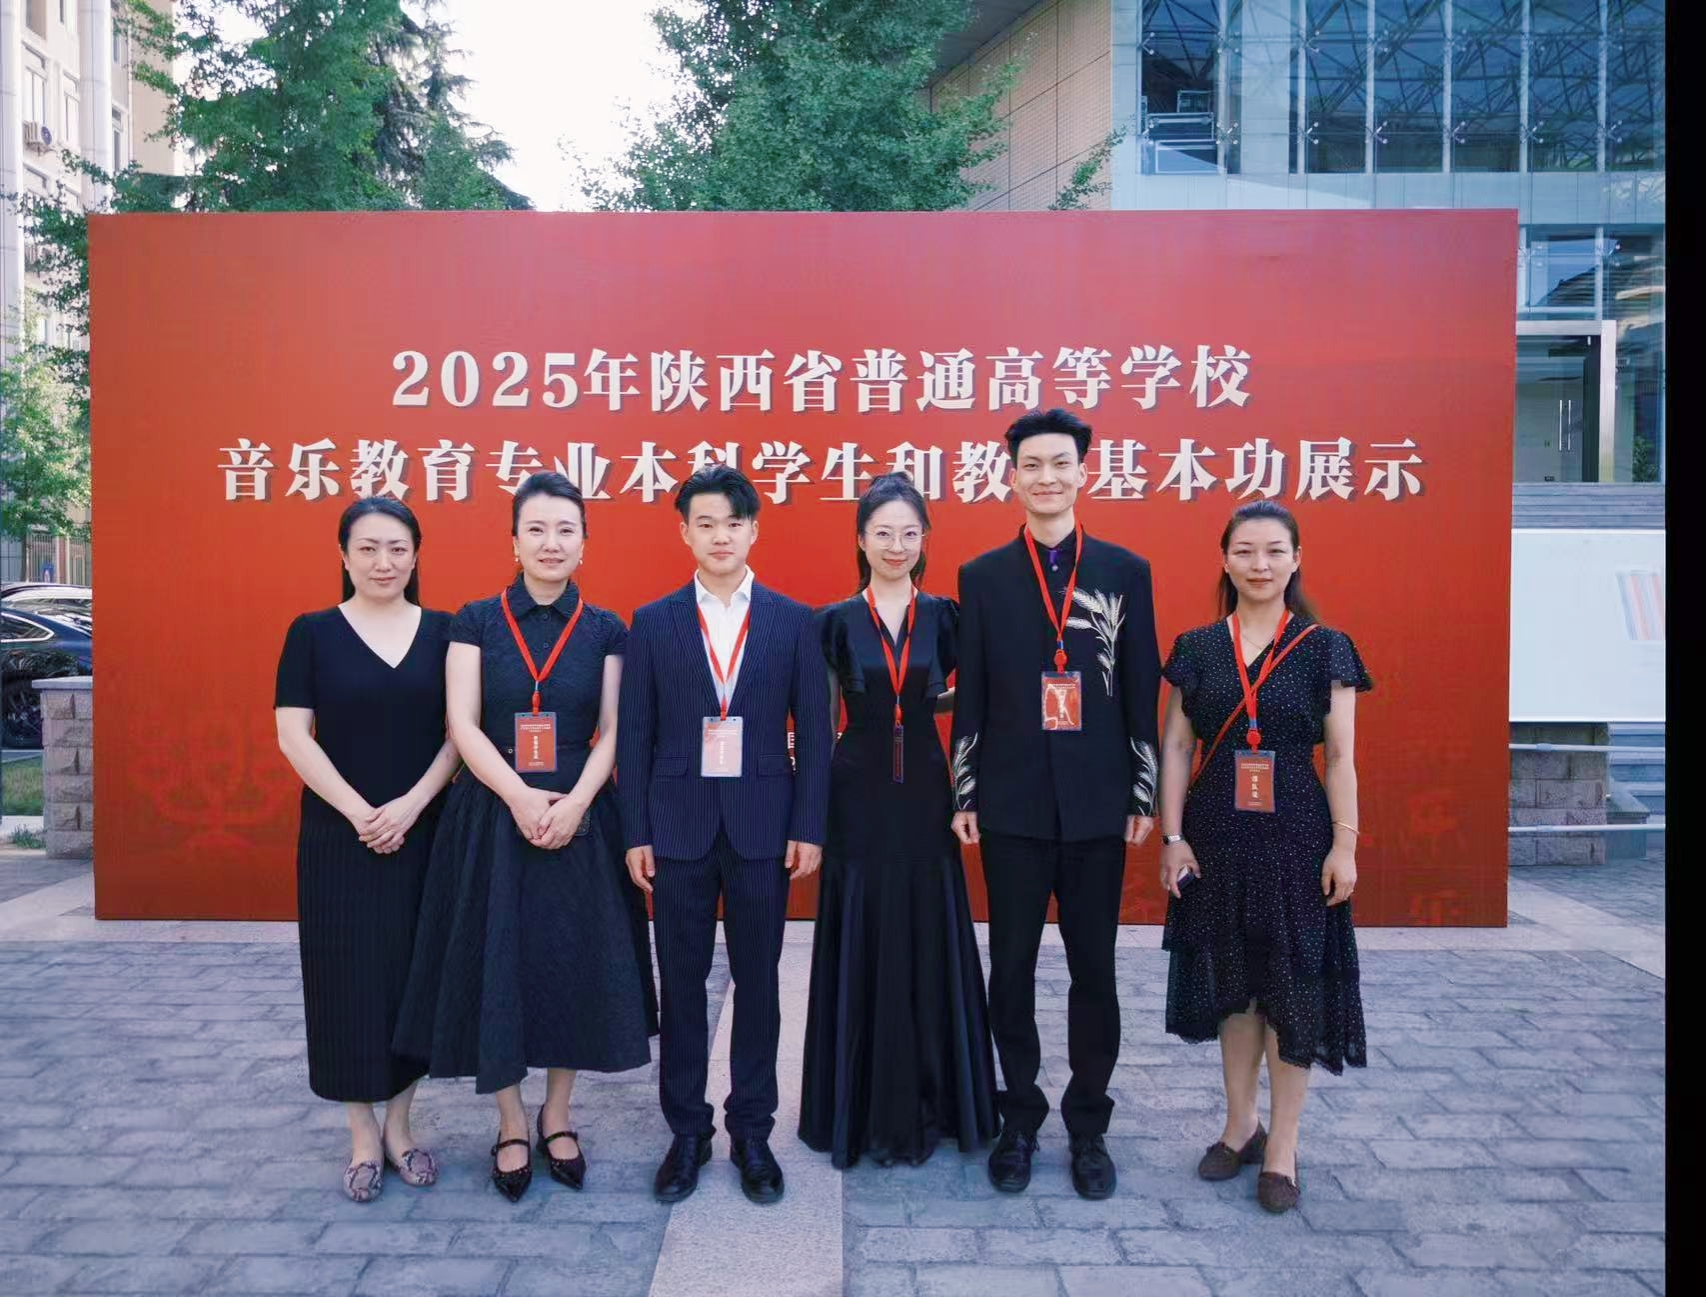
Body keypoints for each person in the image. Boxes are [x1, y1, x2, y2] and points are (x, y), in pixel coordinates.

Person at [393, 472, 657, 1203]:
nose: (551, 543)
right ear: (513, 542)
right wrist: (517, 796)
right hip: (492, 815)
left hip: (579, 816)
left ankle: (557, 1114)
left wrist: (576, 804)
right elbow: (462, 723)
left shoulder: (606, 629)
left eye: (566, 530)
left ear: (584, 543)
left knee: (571, 963)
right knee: (498, 961)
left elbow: (613, 729)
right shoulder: (475, 621)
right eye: (536, 529)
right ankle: (510, 1120)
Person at [950, 408, 1161, 1201]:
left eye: (1059, 463)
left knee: (1093, 969)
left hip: (1098, 804)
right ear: (1012, 477)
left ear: (1083, 472)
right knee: (1011, 966)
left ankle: (1088, 1122)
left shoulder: (1124, 570)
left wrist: (1141, 789)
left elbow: (1139, 683)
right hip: (1010, 804)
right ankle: (1020, 1116)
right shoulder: (982, 576)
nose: (1046, 476)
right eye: (1031, 465)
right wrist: (966, 789)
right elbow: (972, 691)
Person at [618, 464, 832, 1207]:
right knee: (681, 985)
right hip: (675, 828)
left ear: (753, 530)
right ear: (684, 532)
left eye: (733, 523)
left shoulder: (792, 620)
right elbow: (634, 734)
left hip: (762, 828)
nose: (719, 536)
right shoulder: (653, 622)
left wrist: (809, 824)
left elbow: (817, 730)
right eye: (704, 523)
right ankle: (686, 1131)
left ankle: (751, 1130)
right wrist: (635, 830)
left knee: (759, 983)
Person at [1156, 499, 1370, 1215]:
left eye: (1275, 550)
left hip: (1297, 840)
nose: (1260, 564)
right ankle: (1239, 1125)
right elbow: (1176, 747)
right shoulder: (1197, 647)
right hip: (1216, 838)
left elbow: (1339, 756)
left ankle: (1283, 1146)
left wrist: (1345, 842)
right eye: (1245, 551)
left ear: (1296, 558)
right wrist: (1173, 837)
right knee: (1235, 988)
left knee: (1292, 989)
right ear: (1224, 559)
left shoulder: (1323, 646)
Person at [799, 472, 999, 1169]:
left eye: (909, 533)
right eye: (882, 532)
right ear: (861, 539)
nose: (896, 545)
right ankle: (859, 1110)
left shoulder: (946, 616)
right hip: (856, 792)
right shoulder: (832, 621)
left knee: (927, 929)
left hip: (925, 791)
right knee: (862, 927)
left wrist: (937, 710)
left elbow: (962, 700)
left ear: (924, 540)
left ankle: (932, 1102)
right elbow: (823, 719)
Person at [274, 498, 460, 1203]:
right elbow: (294, 735)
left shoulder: (444, 631)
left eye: (398, 548)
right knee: (345, 980)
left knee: (412, 978)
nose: (384, 562)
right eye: (369, 548)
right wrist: (359, 812)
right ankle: (360, 1133)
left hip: (422, 830)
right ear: (344, 555)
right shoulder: (312, 633)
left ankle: (401, 1128)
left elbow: (461, 732)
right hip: (338, 837)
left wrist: (410, 805)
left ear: (416, 555)